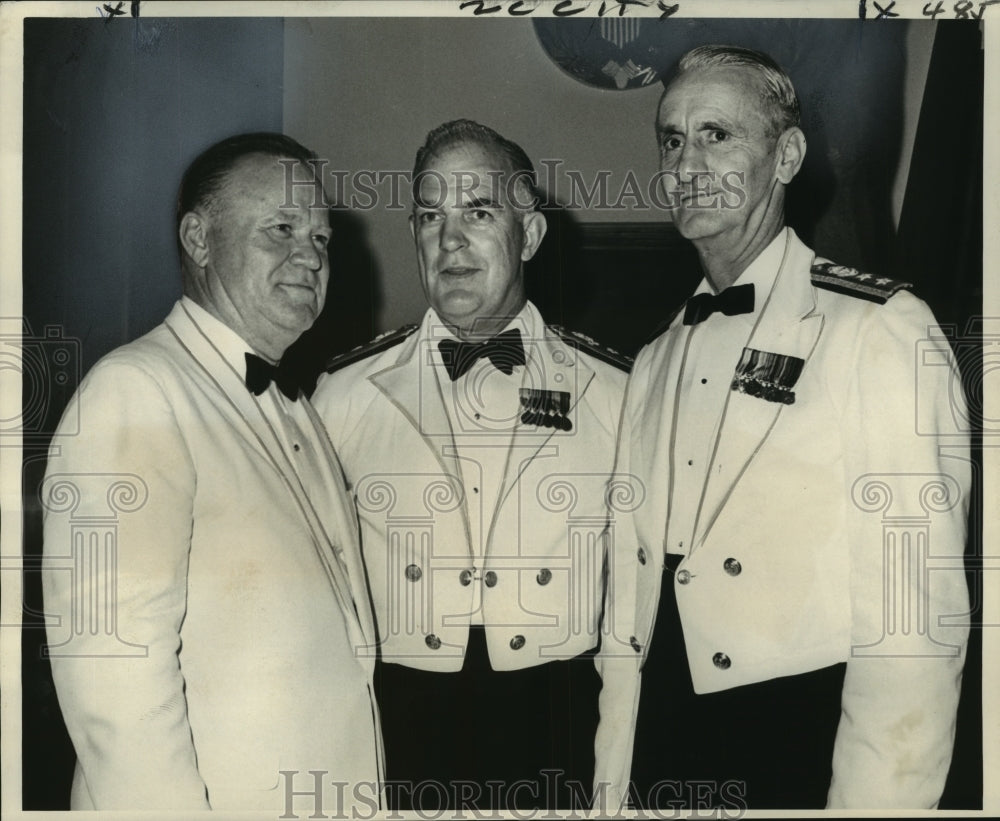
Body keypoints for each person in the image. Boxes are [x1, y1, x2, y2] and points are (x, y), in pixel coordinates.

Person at [593, 46, 971, 811]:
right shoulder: (654, 360)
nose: (687, 162)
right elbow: (628, 623)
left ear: (788, 155)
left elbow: (914, 625)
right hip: (659, 742)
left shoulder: (880, 330)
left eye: (717, 135)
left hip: (794, 741)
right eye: (672, 138)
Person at [41, 133, 383, 813]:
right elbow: (115, 686)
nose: (309, 256)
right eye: (281, 228)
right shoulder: (135, 391)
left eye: (320, 238)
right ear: (199, 239)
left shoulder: (297, 410)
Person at [312, 119, 629, 810]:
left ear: (531, 235)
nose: (449, 239)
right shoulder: (342, 393)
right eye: (431, 216)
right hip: (400, 725)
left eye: (478, 212)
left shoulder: (618, 392)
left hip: (560, 726)